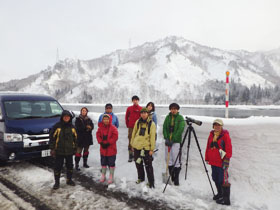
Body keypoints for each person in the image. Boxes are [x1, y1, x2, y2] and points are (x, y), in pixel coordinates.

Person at [205, 119, 232, 205]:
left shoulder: (225, 135)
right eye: (215, 125)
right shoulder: (211, 135)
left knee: (223, 180)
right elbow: (208, 147)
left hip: (221, 161)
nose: (217, 127)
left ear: (221, 126)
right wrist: (207, 157)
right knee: (215, 178)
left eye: (219, 125)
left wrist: (227, 159)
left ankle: (226, 199)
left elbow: (228, 148)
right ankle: (220, 194)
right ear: (213, 126)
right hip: (213, 161)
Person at [49, 110, 77, 190]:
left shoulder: (73, 127)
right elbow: (52, 138)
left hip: (69, 151)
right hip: (59, 151)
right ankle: (57, 182)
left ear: (70, 118)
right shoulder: (57, 127)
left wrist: (75, 149)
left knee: (70, 166)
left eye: (68, 117)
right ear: (62, 117)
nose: (66, 118)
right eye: (65, 117)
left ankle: (69, 180)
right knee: (58, 167)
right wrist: (52, 149)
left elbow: (76, 139)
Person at [131, 108, 156, 188]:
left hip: (146, 148)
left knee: (148, 166)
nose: (143, 114)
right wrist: (132, 144)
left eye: (145, 113)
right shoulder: (137, 122)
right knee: (138, 164)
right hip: (137, 146)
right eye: (142, 113)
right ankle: (141, 178)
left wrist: (152, 149)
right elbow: (133, 133)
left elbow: (152, 137)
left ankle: (151, 182)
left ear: (147, 114)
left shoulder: (151, 124)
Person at [163, 103, 185, 186]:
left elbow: (180, 129)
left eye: (175, 109)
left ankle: (176, 178)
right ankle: (171, 176)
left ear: (177, 109)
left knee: (176, 159)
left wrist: (174, 139)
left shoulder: (180, 118)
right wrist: (167, 138)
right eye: (172, 109)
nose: (173, 110)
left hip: (176, 142)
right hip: (168, 141)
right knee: (168, 159)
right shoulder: (167, 117)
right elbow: (164, 128)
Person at [96, 114, 118, 184]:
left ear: (109, 120)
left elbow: (115, 137)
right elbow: (98, 135)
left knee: (111, 163)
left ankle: (111, 176)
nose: (106, 120)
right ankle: (103, 175)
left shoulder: (113, 128)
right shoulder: (100, 128)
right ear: (102, 120)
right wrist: (101, 142)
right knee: (103, 162)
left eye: (107, 119)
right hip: (103, 149)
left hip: (111, 149)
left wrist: (109, 143)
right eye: (104, 119)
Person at [125, 95, 142, 162]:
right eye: (134, 100)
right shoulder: (129, 108)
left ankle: (136, 155)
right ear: (132, 101)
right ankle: (130, 155)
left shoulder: (140, 108)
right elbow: (126, 117)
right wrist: (128, 125)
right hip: (131, 127)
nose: (135, 101)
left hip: (138, 127)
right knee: (130, 140)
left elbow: (142, 118)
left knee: (137, 140)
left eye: (136, 100)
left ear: (138, 101)